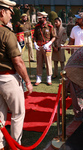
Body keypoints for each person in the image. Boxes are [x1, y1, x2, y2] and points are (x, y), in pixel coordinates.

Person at [0, 0, 33, 149]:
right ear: (2, 12)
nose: (11, 17)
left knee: (0, 116)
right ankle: (15, 146)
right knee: (18, 114)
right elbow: (18, 61)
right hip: (8, 78)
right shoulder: (6, 33)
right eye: (9, 13)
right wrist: (27, 81)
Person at [33, 11, 56, 86]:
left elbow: (54, 37)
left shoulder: (50, 26)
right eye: (38, 18)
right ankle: (38, 78)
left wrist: (49, 43)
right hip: (39, 47)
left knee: (48, 63)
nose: (39, 19)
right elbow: (34, 36)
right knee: (39, 63)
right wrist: (35, 44)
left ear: (45, 18)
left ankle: (49, 78)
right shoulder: (37, 27)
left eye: (41, 18)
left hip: (47, 46)